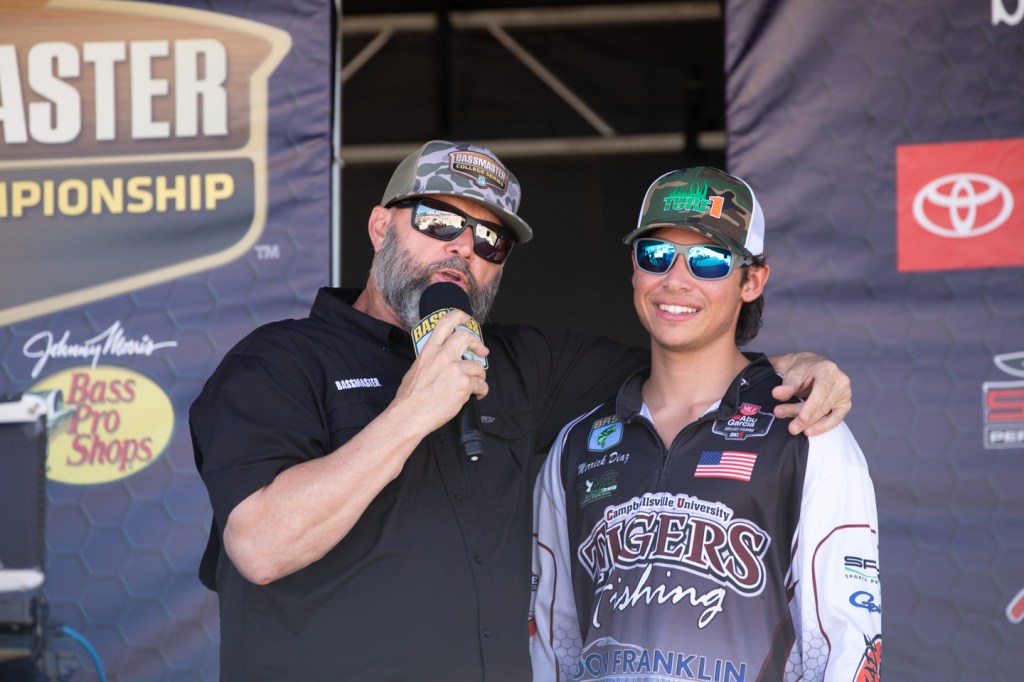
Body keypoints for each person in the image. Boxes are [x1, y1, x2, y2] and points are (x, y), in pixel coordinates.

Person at [190, 142, 855, 681]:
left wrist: (791, 364)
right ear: (380, 226)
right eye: (439, 222)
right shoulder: (278, 362)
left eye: (491, 241)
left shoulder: (522, 362)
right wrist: (412, 412)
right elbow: (260, 546)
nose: (463, 248)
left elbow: (686, 358)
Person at [529, 166, 881, 682]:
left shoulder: (806, 431)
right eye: (656, 255)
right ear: (634, 268)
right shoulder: (577, 445)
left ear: (752, 280)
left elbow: (847, 648)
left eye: (708, 260)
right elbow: (553, 646)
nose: (675, 279)